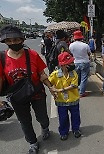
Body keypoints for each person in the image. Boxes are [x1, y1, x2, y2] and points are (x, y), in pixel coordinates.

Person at [0, 25, 55, 154]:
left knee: (42, 117)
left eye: (16, 40)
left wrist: (51, 87)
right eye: (9, 41)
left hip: (36, 92)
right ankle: (33, 143)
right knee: (24, 121)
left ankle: (45, 128)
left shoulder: (32, 54)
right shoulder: (2, 58)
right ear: (5, 42)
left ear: (22, 40)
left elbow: (42, 74)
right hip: (17, 96)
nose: (13, 43)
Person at [48, 52, 81, 140]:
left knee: (75, 116)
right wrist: (52, 91)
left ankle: (76, 129)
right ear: (62, 65)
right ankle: (63, 132)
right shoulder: (55, 74)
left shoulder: (74, 73)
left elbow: (74, 85)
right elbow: (49, 83)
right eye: (69, 63)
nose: (72, 65)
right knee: (63, 118)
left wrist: (58, 90)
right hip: (61, 101)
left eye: (72, 62)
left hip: (74, 100)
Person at [69, 30, 91, 97]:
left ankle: (76, 90)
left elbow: (70, 54)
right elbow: (89, 53)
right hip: (85, 62)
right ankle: (82, 92)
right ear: (81, 37)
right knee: (84, 78)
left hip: (76, 62)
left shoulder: (71, 45)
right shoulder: (85, 45)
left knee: (76, 77)